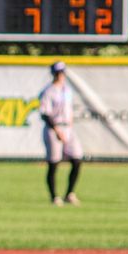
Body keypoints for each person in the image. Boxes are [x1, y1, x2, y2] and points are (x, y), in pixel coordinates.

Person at [39, 60, 83, 206]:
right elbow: (45, 114)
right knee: (54, 163)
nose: (60, 75)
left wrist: (69, 127)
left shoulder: (67, 90)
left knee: (77, 159)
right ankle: (54, 197)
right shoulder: (48, 91)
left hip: (68, 128)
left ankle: (69, 193)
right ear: (53, 74)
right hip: (54, 128)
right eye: (57, 73)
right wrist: (57, 130)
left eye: (62, 72)